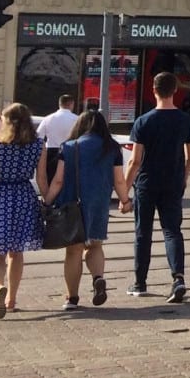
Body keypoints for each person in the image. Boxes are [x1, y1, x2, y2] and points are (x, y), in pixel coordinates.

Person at [40, 109, 130, 309]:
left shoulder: (69, 147)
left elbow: (58, 180)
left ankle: (71, 298)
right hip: (99, 204)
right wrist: (125, 201)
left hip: (72, 204)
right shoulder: (112, 148)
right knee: (96, 246)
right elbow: (119, 180)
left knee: (74, 251)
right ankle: (98, 277)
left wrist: (46, 201)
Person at [124, 71, 190, 303]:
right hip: (173, 182)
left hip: (146, 183)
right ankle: (178, 278)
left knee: (142, 233)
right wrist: (184, 176)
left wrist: (124, 192)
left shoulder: (143, 122)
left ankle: (139, 283)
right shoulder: (185, 120)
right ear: (175, 91)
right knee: (172, 231)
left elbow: (135, 161)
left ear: (153, 91)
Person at [0, 103, 47, 319]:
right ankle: (11, 299)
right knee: (16, 252)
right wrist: (49, 199)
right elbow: (41, 179)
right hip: (24, 197)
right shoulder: (38, 146)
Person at [36, 92, 81, 181]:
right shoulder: (77, 119)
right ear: (72, 104)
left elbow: (38, 137)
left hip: (51, 152)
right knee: (68, 180)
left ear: (59, 104)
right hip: (71, 151)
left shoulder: (48, 118)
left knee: (51, 179)